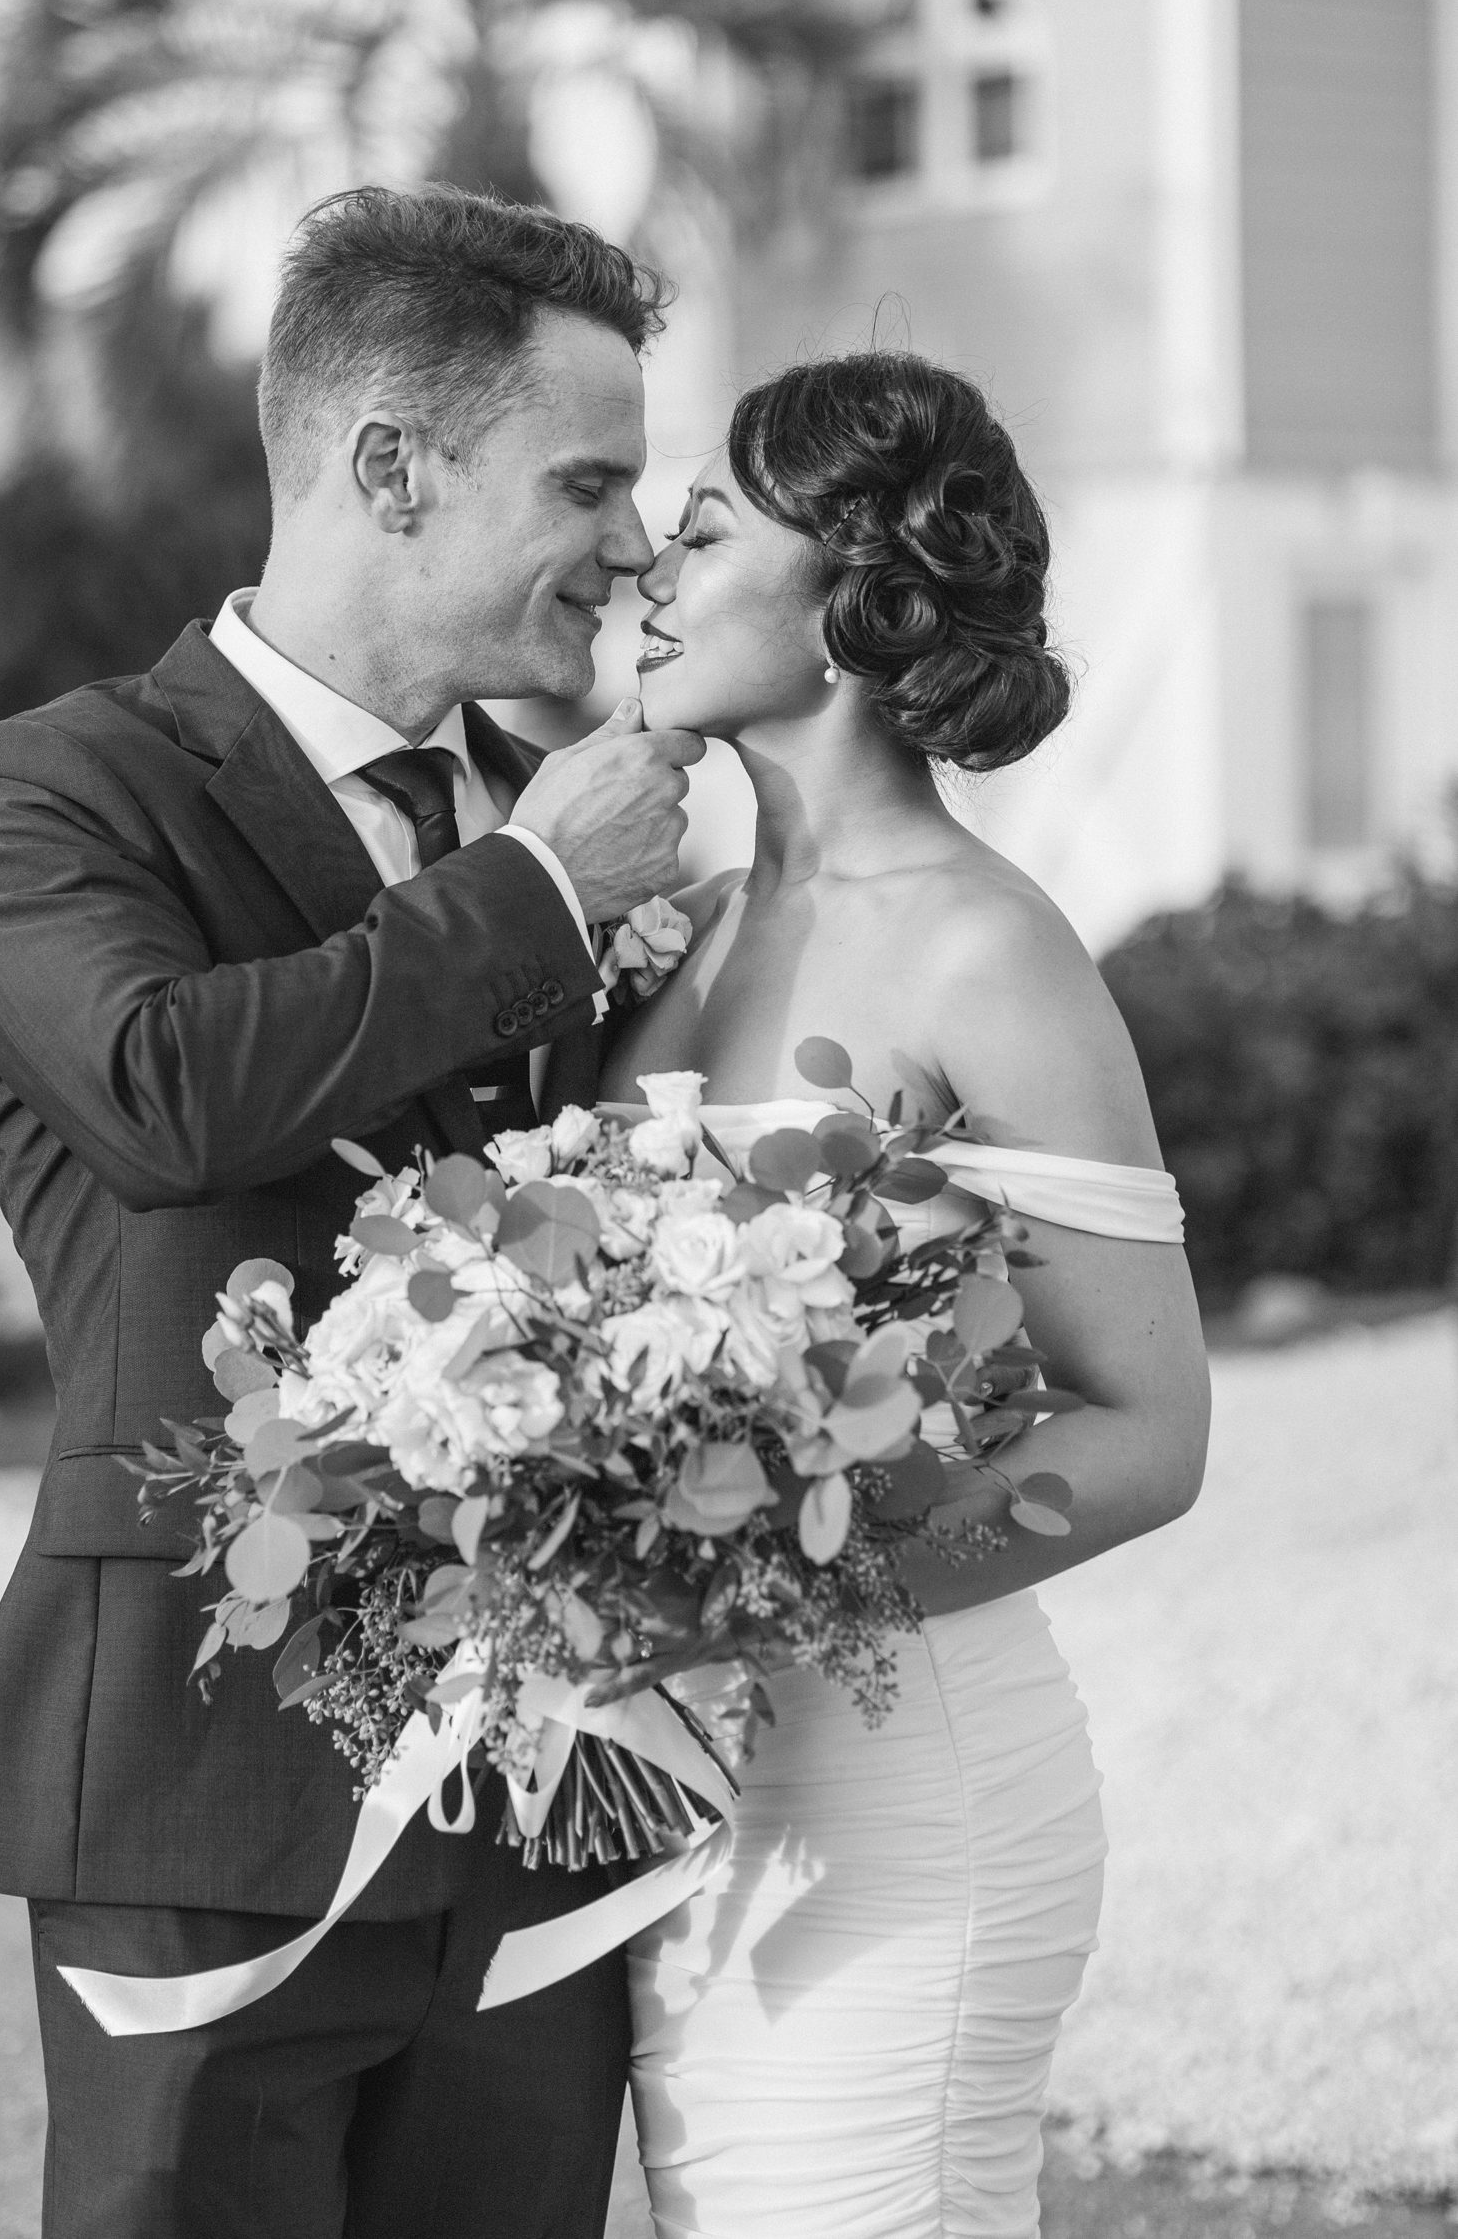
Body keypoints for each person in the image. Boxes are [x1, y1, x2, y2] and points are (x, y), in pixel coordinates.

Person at [0, 184, 707, 2239]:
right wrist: (536, 898)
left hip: (533, 1783)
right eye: (591, 477)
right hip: (197, 1762)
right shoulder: (55, 787)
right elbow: (172, 1087)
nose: (634, 541)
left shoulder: (571, 811)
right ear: (391, 467)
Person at [606, 349, 1211, 2238]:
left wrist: (764, 1587)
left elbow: (1153, 1429)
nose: (649, 568)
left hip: (908, 1789)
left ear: (852, 593)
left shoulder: (983, 948)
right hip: (686, 1797)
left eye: (700, 532)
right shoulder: (686, 929)